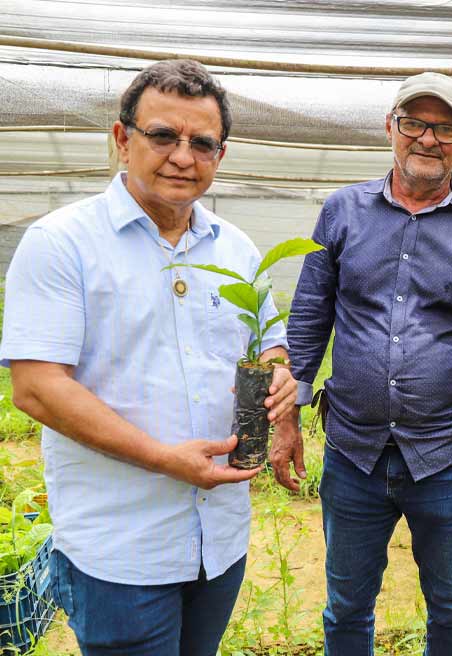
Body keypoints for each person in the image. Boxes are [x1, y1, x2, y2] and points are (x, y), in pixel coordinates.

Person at [0, 59, 297, 656]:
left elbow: (269, 341)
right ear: (122, 138)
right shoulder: (63, 242)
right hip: (121, 549)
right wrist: (164, 458)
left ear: (221, 153)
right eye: (163, 135)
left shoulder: (235, 248)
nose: (183, 156)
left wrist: (282, 375)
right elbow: (35, 386)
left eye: (202, 142)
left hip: (219, 539)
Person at [272, 71, 452, 654]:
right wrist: (287, 419)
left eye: (444, 127)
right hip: (354, 451)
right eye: (414, 124)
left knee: (451, 605)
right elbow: (308, 318)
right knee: (347, 605)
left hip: (450, 454)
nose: (428, 139)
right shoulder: (343, 211)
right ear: (391, 129)